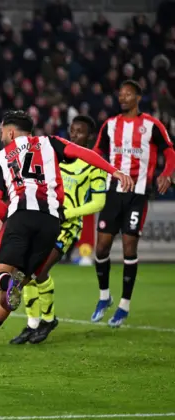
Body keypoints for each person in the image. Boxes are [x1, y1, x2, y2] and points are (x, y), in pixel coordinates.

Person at [0, 110, 133, 366]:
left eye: (3, 131)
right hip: (51, 223)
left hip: (21, 217)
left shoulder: (1, 157)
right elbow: (85, 153)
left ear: (11, 132)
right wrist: (114, 171)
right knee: (13, 291)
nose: (1, 136)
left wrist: (9, 219)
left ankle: (6, 289)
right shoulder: (51, 143)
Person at [10, 115, 107, 345]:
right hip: (46, 220)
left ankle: (49, 319)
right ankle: (32, 324)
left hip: (68, 226)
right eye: (72, 130)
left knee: (40, 271)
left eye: (80, 132)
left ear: (89, 136)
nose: (74, 135)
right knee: (25, 272)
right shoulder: (56, 156)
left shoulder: (93, 164)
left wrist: (70, 213)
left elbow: (99, 202)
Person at [91, 80, 175, 327]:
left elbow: (169, 150)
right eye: (121, 94)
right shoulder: (110, 125)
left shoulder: (151, 125)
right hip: (113, 192)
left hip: (137, 195)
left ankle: (124, 305)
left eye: (128, 94)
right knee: (101, 249)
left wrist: (167, 174)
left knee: (129, 248)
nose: (123, 97)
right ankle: (104, 297)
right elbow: (97, 152)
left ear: (138, 97)